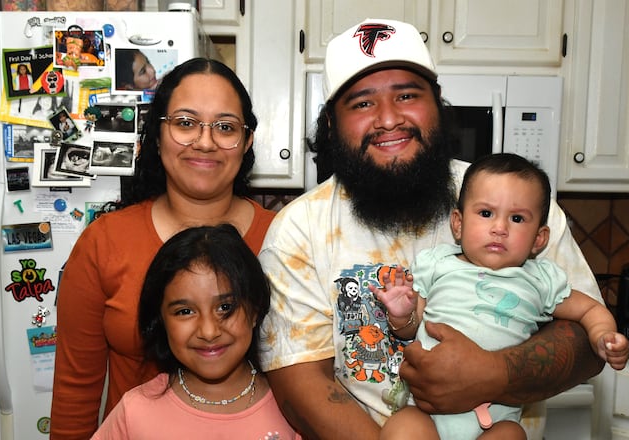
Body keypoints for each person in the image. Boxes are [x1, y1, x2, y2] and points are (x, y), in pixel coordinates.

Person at [258, 18, 605, 439]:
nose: (389, 119)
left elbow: (588, 344)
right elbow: (300, 384)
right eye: (362, 103)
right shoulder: (299, 230)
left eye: (407, 95)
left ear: (438, 105)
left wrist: (494, 373)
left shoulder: (514, 207)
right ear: (332, 124)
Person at [51, 57, 276, 439]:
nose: (205, 142)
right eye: (186, 123)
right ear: (156, 136)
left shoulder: (286, 240)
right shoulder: (103, 242)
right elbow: (75, 391)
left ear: (246, 141)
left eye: (225, 127)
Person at [374, 153, 629, 440]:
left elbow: (588, 310)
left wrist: (603, 335)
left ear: (539, 239)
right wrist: (401, 314)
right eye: (486, 213)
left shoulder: (541, 279)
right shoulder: (438, 264)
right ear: (458, 224)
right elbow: (412, 325)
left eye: (517, 218)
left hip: (495, 420)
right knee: (401, 429)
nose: (500, 228)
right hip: (425, 413)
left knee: (512, 435)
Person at [91, 225, 299, 439]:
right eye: (185, 311)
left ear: (255, 310)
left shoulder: (297, 408)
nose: (209, 332)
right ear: (161, 320)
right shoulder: (135, 412)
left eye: (225, 307)